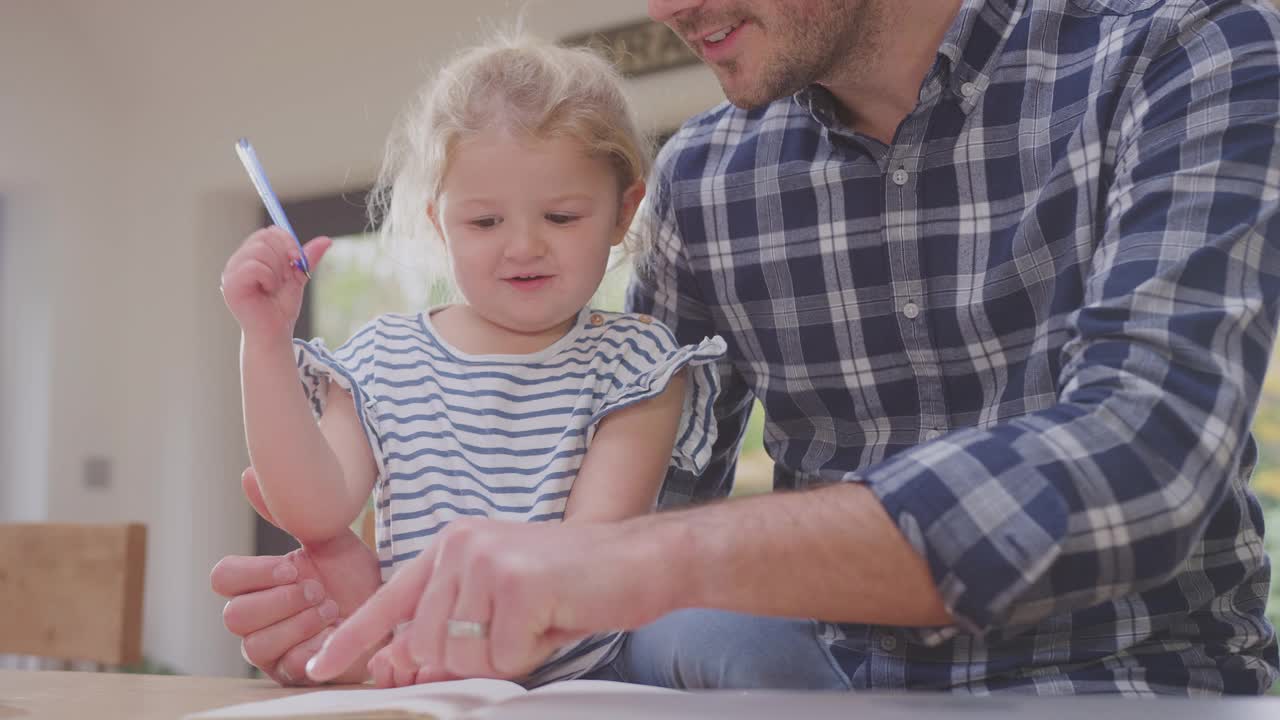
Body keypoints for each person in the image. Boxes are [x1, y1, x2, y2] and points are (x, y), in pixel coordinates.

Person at [216, 0, 1280, 695]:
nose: (669, 10)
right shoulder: (705, 183)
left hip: (1132, 686)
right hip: (818, 689)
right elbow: (656, 515)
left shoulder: (1176, 54)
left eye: (557, 216)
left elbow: (1142, 459)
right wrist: (382, 622)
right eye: (485, 221)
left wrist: (604, 570)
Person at [215, 34, 725, 688]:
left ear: (624, 212)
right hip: (421, 678)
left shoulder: (637, 364)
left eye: (562, 216)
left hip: (582, 688)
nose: (523, 246)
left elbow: (584, 561)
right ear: (439, 221)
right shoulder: (384, 356)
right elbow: (315, 510)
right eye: (485, 223)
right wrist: (264, 342)